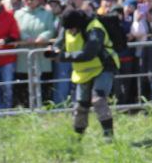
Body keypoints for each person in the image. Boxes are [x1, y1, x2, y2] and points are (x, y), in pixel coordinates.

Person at [48, 8, 117, 139]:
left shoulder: (95, 29)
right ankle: (77, 137)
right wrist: (54, 50)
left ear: (78, 25)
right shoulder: (68, 26)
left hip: (103, 66)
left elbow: (88, 54)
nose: (69, 32)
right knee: (80, 105)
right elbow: (59, 43)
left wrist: (63, 57)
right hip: (83, 71)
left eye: (72, 29)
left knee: (98, 100)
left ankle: (109, 136)